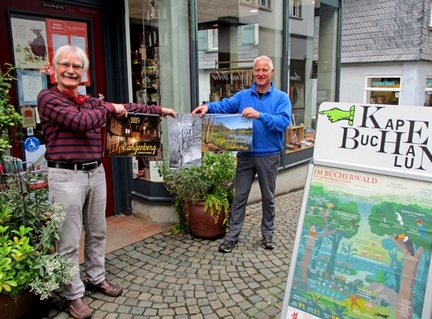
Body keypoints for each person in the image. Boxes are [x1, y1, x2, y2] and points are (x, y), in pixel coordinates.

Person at [37, 45, 176, 319]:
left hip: (95, 172)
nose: (71, 71)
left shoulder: (88, 101)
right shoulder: (48, 98)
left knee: (97, 231)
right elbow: (80, 123)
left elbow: (127, 108)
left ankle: (95, 277)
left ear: (83, 72)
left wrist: (159, 110)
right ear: (55, 69)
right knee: (67, 239)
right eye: (65, 65)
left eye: (77, 67)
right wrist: (110, 108)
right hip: (66, 176)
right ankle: (73, 295)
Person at [192, 55, 291, 253]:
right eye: (257, 70)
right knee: (239, 197)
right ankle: (232, 236)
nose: (260, 74)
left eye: (264, 70)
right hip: (245, 154)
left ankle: (268, 234)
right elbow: (225, 105)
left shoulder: (281, 98)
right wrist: (207, 106)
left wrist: (259, 115)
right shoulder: (243, 95)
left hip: (268, 155)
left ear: (271, 72)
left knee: (268, 198)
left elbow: (283, 122)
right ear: (253, 73)